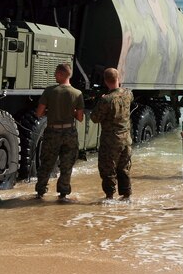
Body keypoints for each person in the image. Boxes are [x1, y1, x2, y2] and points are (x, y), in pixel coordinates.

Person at [34, 62, 84, 200]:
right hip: (69, 132)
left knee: (47, 163)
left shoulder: (49, 91)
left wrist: (51, 111)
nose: (55, 75)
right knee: (66, 165)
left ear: (62, 74)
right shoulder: (77, 93)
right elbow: (80, 117)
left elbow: (39, 113)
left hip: (52, 133)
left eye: (56, 73)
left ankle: (40, 192)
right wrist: (71, 111)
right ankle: (63, 194)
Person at [90, 67, 133, 199]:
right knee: (124, 168)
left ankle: (109, 197)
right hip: (126, 139)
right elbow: (126, 98)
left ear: (105, 81)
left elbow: (94, 118)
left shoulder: (106, 100)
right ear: (118, 79)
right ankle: (126, 196)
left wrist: (101, 100)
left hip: (111, 141)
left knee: (108, 169)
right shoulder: (128, 94)